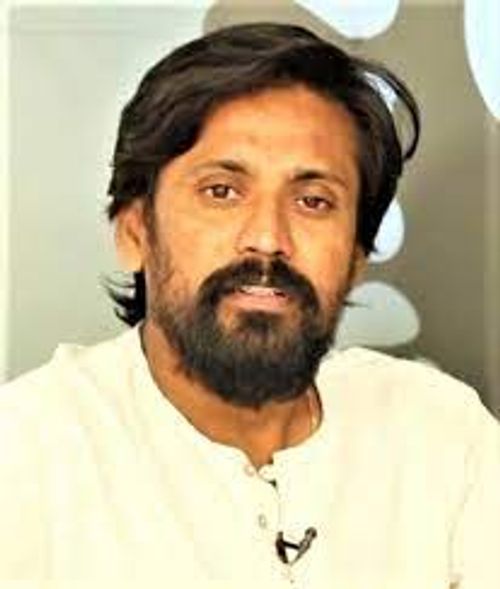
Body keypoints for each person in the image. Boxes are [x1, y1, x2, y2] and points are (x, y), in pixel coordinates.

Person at [1, 22, 499, 589]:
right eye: (222, 192)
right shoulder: (27, 456)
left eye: (313, 201)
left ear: (356, 258)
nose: (267, 238)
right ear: (135, 231)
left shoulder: (443, 435)